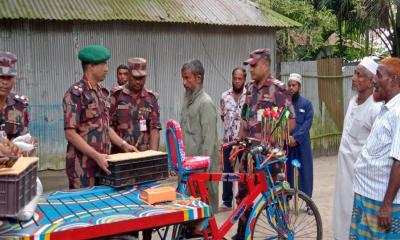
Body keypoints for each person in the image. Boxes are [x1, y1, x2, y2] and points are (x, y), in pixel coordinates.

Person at [235, 48, 295, 240]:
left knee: (277, 197)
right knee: (244, 195)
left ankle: (283, 233)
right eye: (250, 65)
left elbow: (291, 121)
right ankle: (242, 232)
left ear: (266, 65)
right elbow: (245, 117)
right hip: (250, 154)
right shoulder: (250, 88)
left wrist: (271, 136)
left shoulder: (278, 89)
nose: (251, 69)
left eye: (254, 65)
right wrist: (238, 141)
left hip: (270, 157)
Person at [63, 45, 137, 189]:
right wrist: (96, 156)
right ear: (91, 66)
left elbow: (105, 127)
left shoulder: (102, 93)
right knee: (84, 208)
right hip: (83, 169)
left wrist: (124, 144)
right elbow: (70, 134)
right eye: (103, 64)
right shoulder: (76, 94)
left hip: (103, 166)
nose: (107, 68)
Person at [350, 57, 400, 239]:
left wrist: (386, 205)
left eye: (378, 75)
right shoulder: (385, 108)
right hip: (366, 195)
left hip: (381, 202)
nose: (374, 81)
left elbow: (399, 163)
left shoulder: (398, 112)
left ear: (394, 79)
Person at [332, 57, 381, 239]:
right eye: (354, 73)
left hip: (361, 178)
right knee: (341, 211)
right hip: (343, 172)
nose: (353, 78)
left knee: (357, 216)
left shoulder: (376, 108)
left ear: (371, 82)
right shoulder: (352, 102)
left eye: (359, 75)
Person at [180, 59, 219, 213]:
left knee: (205, 214)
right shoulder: (187, 99)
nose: (184, 82)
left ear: (198, 78)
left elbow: (208, 145)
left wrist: (201, 174)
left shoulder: (205, 103)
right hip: (188, 167)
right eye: (183, 78)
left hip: (201, 170)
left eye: (187, 78)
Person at [110, 58, 161, 153]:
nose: (138, 82)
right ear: (129, 75)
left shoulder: (151, 98)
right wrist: (122, 144)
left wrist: (153, 155)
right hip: (120, 155)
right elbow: (108, 126)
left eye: (141, 78)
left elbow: (154, 129)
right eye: (135, 78)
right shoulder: (117, 96)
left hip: (143, 156)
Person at [220, 67, 247, 211]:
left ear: (244, 79)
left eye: (240, 78)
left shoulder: (248, 96)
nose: (237, 81)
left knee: (244, 171)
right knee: (228, 171)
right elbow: (223, 116)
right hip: (229, 141)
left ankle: (243, 200)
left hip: (244, 142)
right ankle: (227, 201)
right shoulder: (225, 96)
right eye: (235, 78)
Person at [286, 73, 314, 201]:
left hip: (302, 144)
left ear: (299, 87)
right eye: (289, 85)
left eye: (294, 85)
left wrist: (296, 138)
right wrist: (287, 137)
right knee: (288, 170)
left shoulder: (307, 104)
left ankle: (308, 201)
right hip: (287, 143)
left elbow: (307, 123)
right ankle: (287, 196)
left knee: (305, 172)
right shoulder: (284, 104)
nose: (291, 87)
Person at [0, 51, 30, 141]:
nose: (5, 82)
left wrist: (28, 143)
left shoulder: (20, 106)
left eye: (9, 78)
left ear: (14, 79)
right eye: (1, 77)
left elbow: (23, 137)